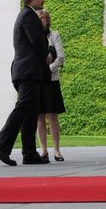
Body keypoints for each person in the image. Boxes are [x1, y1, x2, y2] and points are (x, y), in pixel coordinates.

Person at [0, 0, 51, 166]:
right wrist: (47, 55)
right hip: (29, 70)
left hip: (26, 70)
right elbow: (37, 41)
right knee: (24, 108)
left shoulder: (25, 15)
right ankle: (1, 145)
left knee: (30, 113)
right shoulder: (28, 16)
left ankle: (29, 153)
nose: (42, 1)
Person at [36, 9, 66, 162]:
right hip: (37, 81)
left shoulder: (54, 35)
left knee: (52, 116)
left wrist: (47, 70)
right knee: (39, 117)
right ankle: (43, 151)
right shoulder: (33, 37)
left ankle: (56, 150)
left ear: (48, 20)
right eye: (38, 18)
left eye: (43, 18)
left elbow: (60, 57)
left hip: (51, 80)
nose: (41, 20)